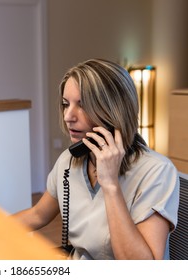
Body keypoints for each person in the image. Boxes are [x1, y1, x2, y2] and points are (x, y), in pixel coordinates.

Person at [13, 58, 180, 260]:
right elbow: (37, 215)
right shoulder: (69, 161)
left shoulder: (156, 171)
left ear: (114, 111)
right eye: (66, 104)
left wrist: (110, 184)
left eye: (82, 105)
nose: (68, 116)